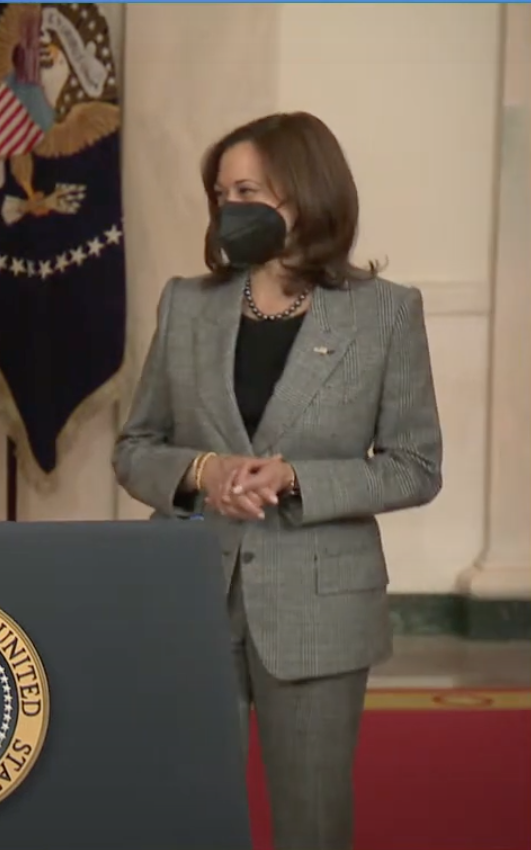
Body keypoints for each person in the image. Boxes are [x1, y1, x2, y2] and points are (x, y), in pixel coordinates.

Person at [112, 112, 443, 850]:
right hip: (190, 593)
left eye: (247, 189)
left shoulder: (386, 315)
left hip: (319, 609)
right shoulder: (187, 304)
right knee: (186, 809)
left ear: (304, 193)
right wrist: (204, 471)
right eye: (221, 192)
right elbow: (135, 448)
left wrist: (296, 478)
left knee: (312, 821)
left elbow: (416, 467)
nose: (229, 207)